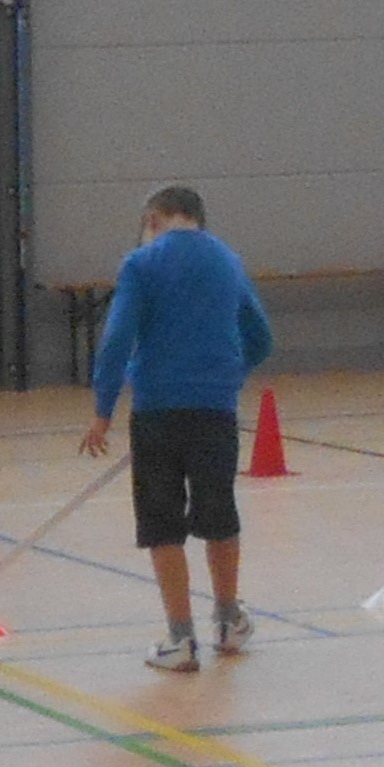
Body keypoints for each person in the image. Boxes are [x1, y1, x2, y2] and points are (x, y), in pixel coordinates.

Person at [73, 186, 279, 672]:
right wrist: (227, 375)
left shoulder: (141, 264)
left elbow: (117, 338)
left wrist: (103, 410)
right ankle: (227, 621)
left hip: (157, 410)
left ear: (154, 219)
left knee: (162, 522)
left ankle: (180, 638)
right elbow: (260, 336)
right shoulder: (227, 261)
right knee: (219, 514)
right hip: (215, 410)